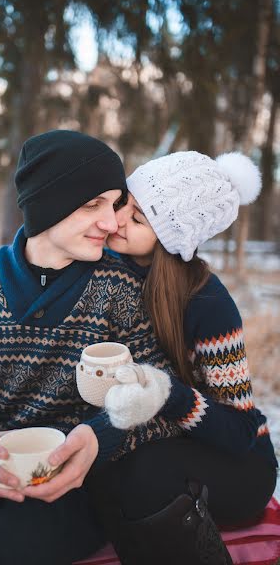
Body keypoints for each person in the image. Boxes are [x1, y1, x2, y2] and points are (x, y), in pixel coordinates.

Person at [0, 130, 181, 565]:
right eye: (92, 205)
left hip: (73, 496)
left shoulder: (119, 285)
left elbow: (157, 395)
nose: (112, 223)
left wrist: (99, 438)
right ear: (48, 205)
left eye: (114, 205)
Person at [87, 150, 278, 565]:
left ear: (172, 237)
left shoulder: (206, 301)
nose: (116, 219)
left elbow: (239, 428)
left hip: (238, 466)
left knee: (142, 470)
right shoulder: (102, 271)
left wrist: (168, 396)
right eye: (122, 203)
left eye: (137, 219)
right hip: (155, 443)